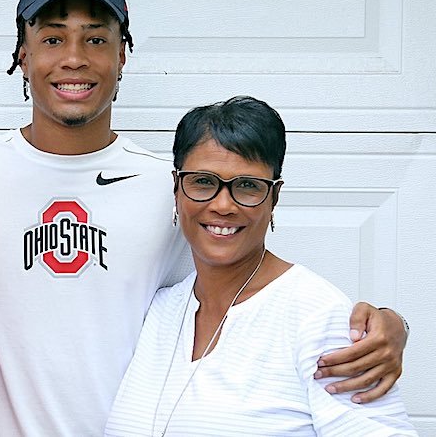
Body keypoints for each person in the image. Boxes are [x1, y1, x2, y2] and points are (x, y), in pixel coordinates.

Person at [0, 0, 409, 436]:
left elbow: (244, 286)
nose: (74, 58)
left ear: (121, 55)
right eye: (52, 38)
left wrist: (383, 323)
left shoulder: (174, 187)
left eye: (96, 39)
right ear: (23, 53)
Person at [104, 96, 416, 436]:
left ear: (274, 197)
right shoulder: (158, 310)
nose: (223, 205)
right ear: (177, 187)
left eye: (248, 186)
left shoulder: (317, 318)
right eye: (203, 182)